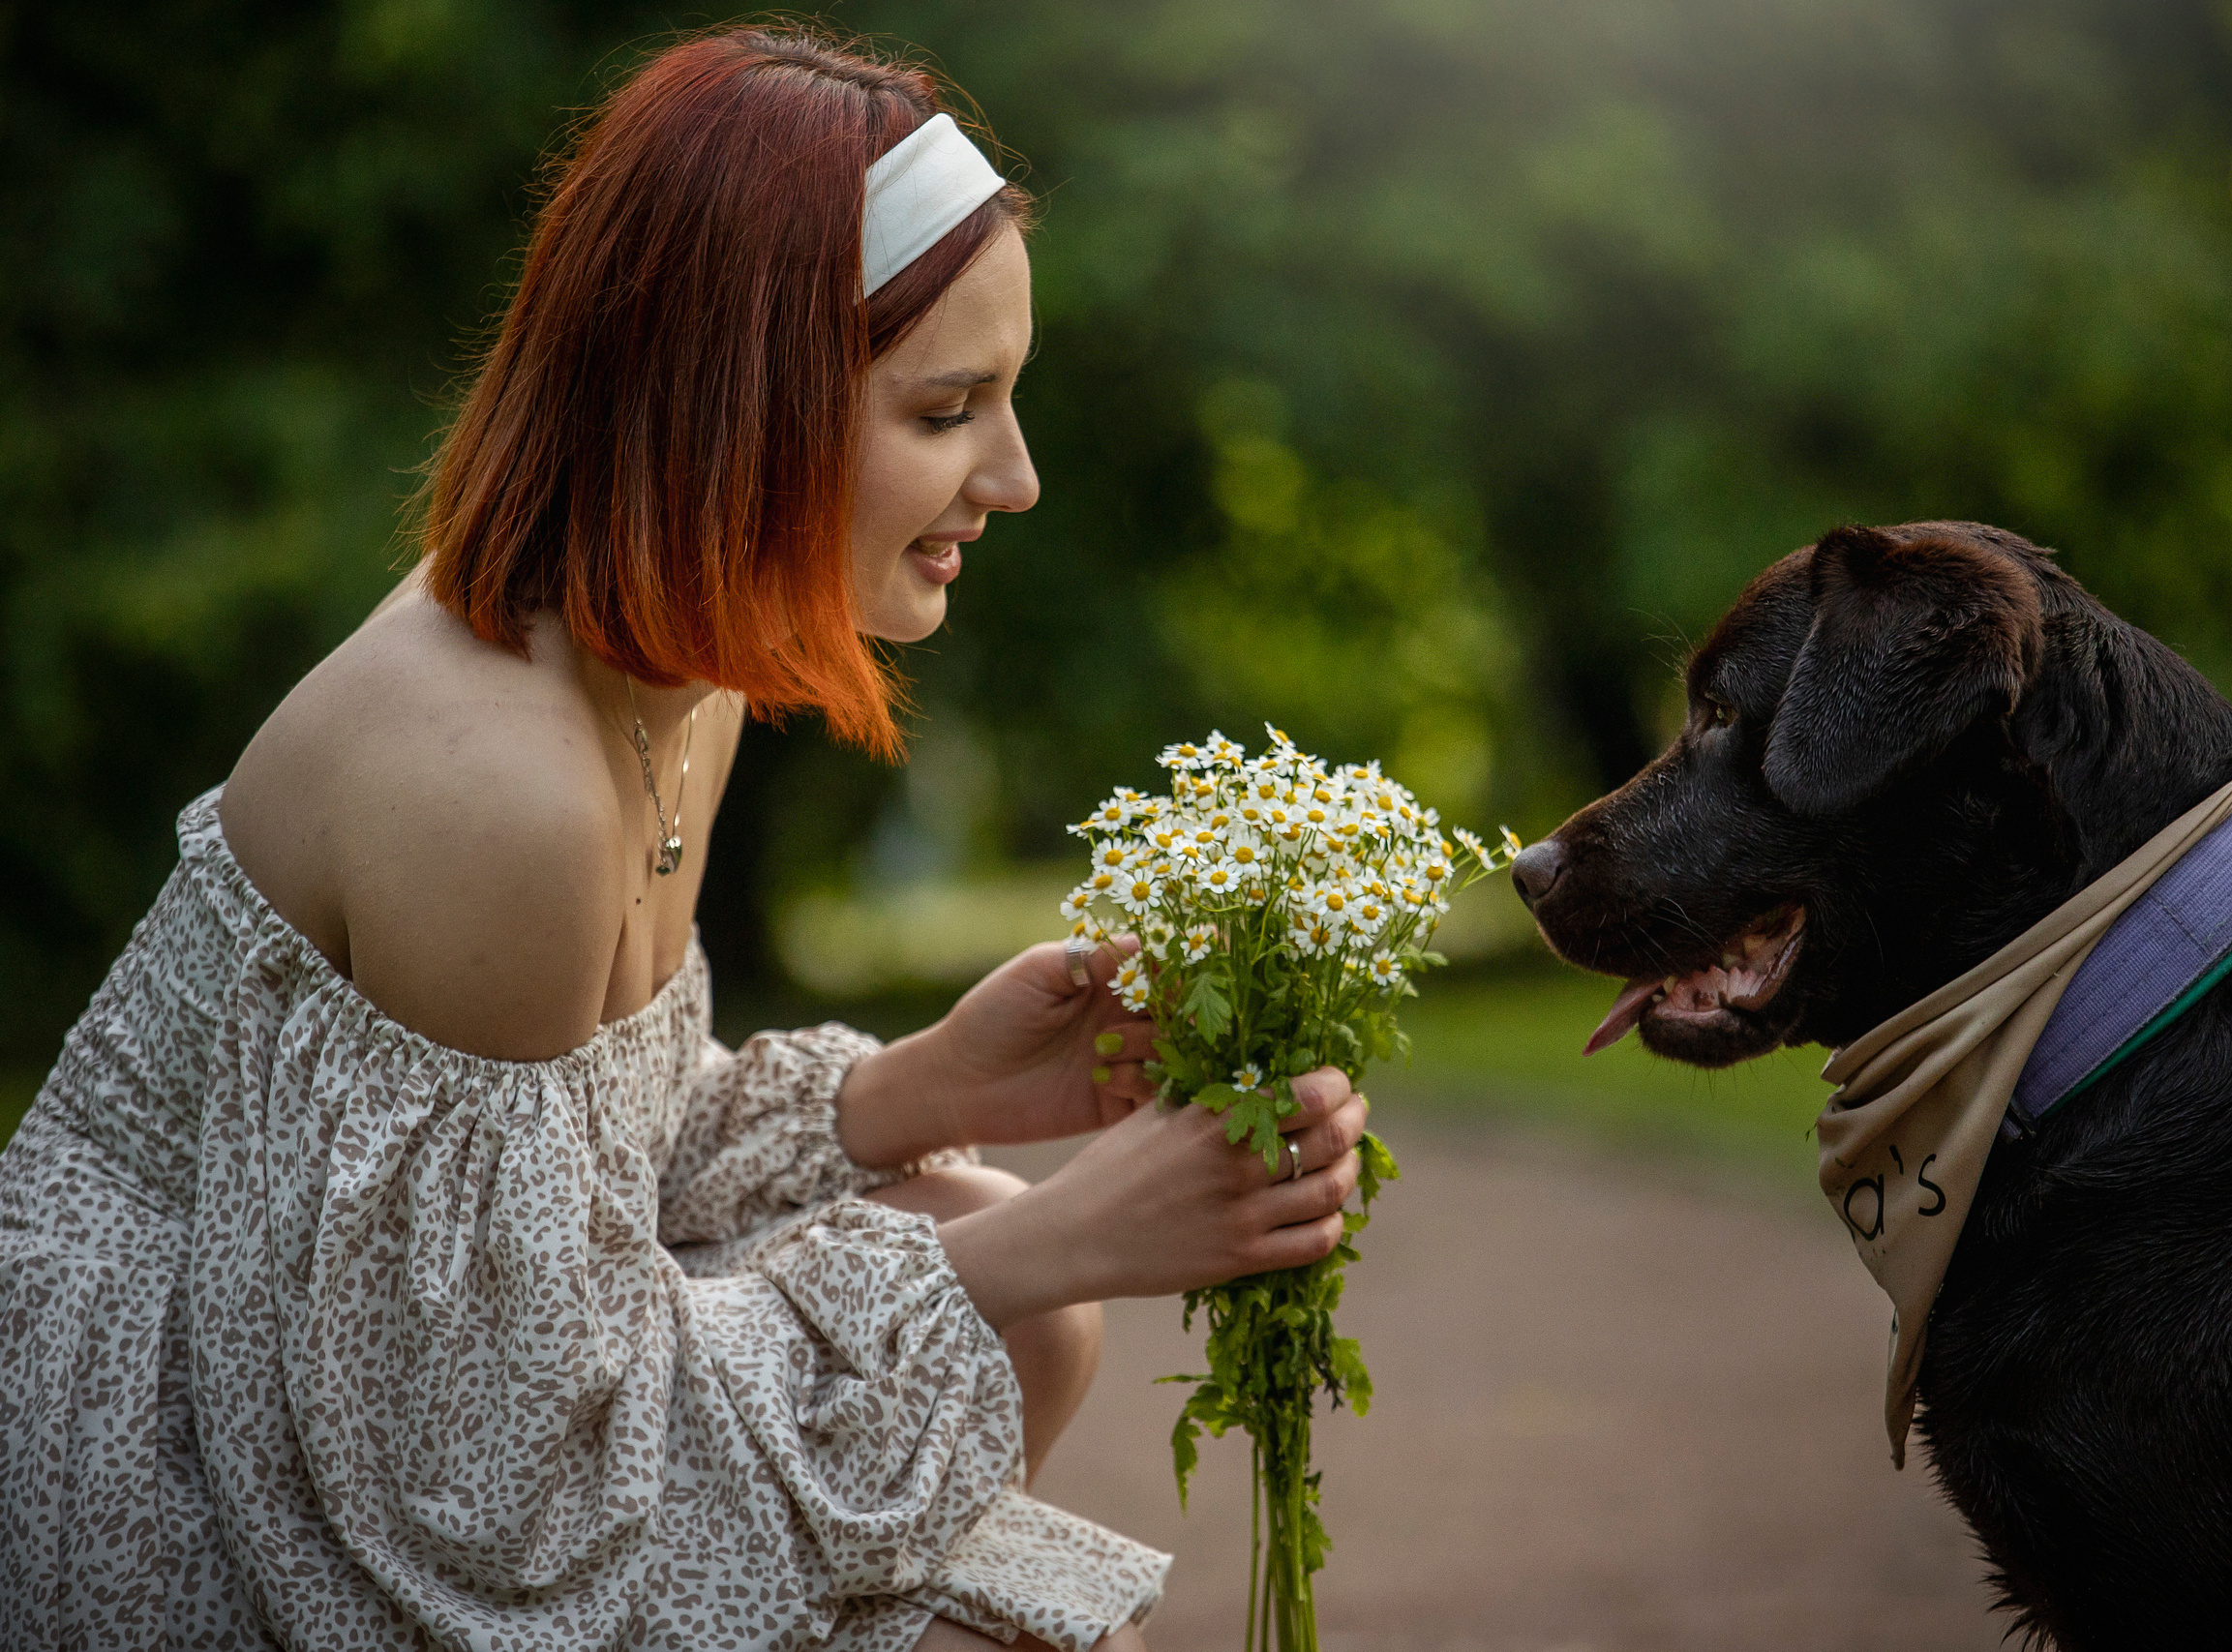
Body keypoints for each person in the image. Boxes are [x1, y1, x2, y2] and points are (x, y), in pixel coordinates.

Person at [0, 24, 1370, 1652]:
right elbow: (486, 1474)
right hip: (191, 1454)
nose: (1017, 477)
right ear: (738, 410)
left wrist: (914, 1094)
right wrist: (1069, 1234)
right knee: (1015, 1403)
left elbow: (573, 1187)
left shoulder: (678, 683)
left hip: (423, 1396)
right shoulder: (494, 785)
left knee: (1009, 1280)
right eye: (949, 410)